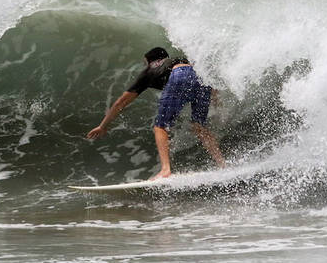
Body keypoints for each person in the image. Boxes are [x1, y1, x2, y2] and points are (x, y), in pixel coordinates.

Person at [86, 46, 225, 179]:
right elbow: (203, 78)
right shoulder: (179, 60)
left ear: (150, 61)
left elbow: (120, 103)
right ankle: (222, 165)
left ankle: (165, 170)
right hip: (200, 78)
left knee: (160, 126)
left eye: (145, 62)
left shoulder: (149, 71)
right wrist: (215, 99)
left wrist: (102, 126)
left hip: (179, 76)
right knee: (199, 125)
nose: (144, 65)